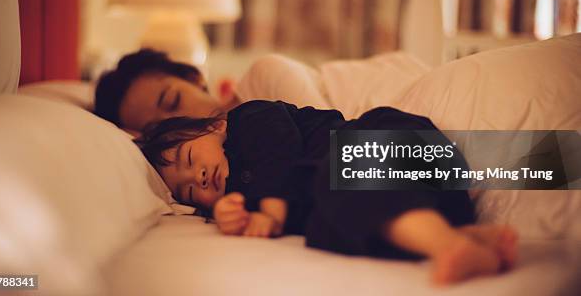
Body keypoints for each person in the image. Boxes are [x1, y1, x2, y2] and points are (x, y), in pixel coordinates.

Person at [135, 99, 518, 285]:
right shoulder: (237, 199)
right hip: (421, 200)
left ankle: (450, 248)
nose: (198, 179)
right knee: (324, 229)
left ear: (216, 126)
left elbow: (278, 150)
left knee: (340, 169)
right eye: (187, 191)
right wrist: (231, 215)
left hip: (399, 147)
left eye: (189, 157)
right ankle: (461, 237)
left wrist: (270, 213)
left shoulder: (246, 121)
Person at [94, 49, 239, 134]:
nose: (176, 124)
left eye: (173, 101)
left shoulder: (258, 83)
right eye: (158, 129)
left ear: (192, 77)